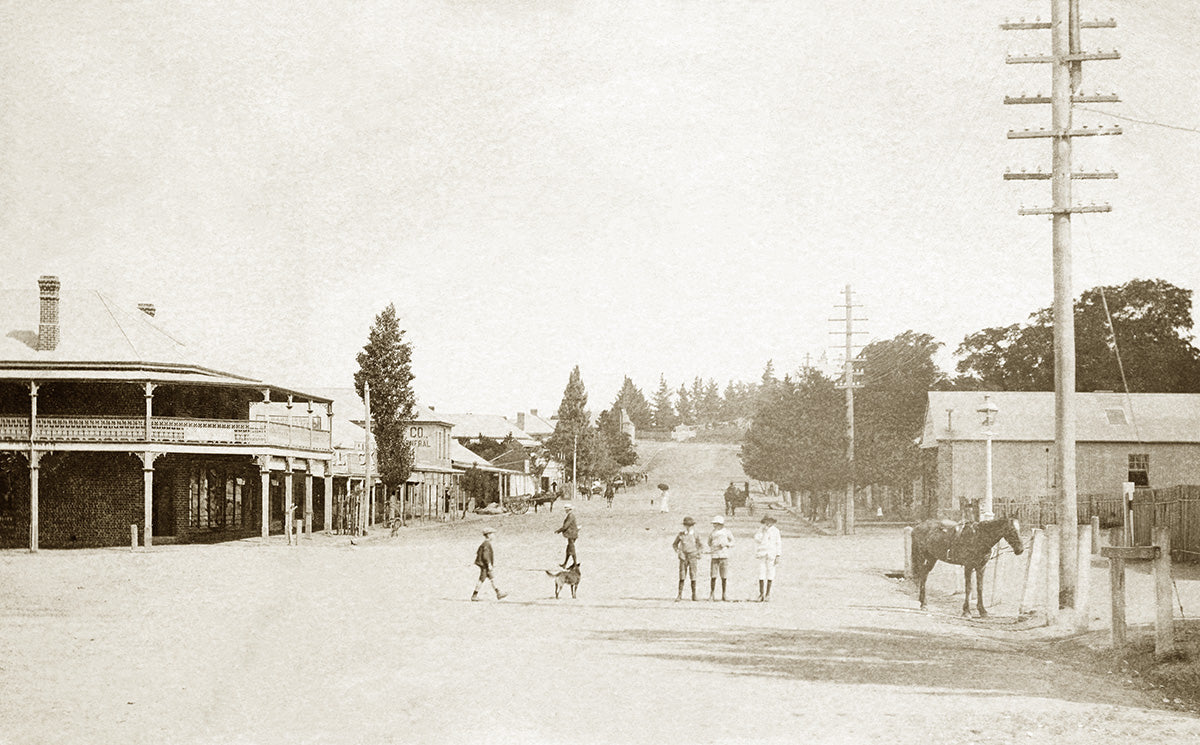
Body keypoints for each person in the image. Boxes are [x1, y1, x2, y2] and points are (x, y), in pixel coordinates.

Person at [672, 516, 703, 601]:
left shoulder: (696, 534)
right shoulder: (681, 534)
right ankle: (679, 595)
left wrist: (699, 553)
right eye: (687, 525)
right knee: (682, 575)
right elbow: (674, 545)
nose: (688, 527)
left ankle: (694, 595)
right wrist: (679, 552)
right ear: (684, 525)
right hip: (683, 557)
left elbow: (700, 545)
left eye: (690, 525)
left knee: (693, 575)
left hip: (693, 556)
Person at [472, 528, 507, 601]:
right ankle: (474, 595)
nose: (494, 536)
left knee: (492, 578)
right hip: (485, 565)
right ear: (488, 535)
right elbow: (485, 556)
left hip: (484, 564)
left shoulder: (485, 544)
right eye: (492, 534)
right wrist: (489, 564)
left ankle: (498, 593)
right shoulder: (487, 544)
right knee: (481, 580)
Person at [753, 515, 782, 601]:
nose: (768, 523)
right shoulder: (761, 530)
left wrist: (778, 555)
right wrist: (763, 533)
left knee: (771, 572)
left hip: (771, 554)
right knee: (761, 572)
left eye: (770, 521)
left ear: (773, 522)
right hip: (762, 553)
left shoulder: (776, 531)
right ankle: (761, 593)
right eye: (766, 521)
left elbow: (778, 543)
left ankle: (768, 594)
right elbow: (756, 539)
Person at [707, 515, 734, 601]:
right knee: (713, 575)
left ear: (720, 524)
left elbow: (733, 541)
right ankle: (712, 593)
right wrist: (713, 547)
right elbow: (709, 542)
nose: (714, 525)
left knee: (724, 576)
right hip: (715, 555)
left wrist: (726, 544)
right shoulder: (712, 532)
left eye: (716, 524)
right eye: (714, 524)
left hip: (724, 555)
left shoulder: (727, 532)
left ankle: (724, 594)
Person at [554, 502, 578, 568]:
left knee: (571, 549)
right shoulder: (571, 515)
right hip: (572, 534)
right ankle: (566, 564)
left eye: (566, 509)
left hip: (571, 534)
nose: (565, 510)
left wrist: (559, 530)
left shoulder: (570, 516)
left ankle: (575, 564)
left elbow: (565, 526)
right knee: (569, 549)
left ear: (568, 509)